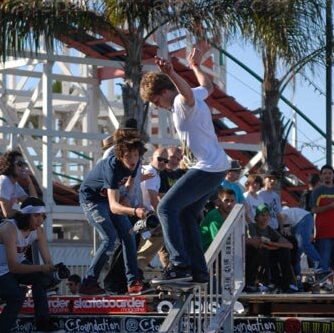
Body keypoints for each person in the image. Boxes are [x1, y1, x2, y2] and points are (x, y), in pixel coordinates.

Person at [140, 42, 230, 284]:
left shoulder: (180, 101)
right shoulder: (194, 98)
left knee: (166, 208)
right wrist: (195, 65)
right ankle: (199, 270)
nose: (158, 106)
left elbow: (187, 94)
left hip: (207, 168)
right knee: (187, 213)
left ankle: (179, 264)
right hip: (217, 168)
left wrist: (171, 73)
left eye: (156, 100)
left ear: (164, 91)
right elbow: (206, 86)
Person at [0, 197, 63, 333]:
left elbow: (47, 261)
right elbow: (14, 267)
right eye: (36, 216)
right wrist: (41, 268)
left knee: (40, 278)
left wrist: (51, 271)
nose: (40, 219)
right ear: (26, 216)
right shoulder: (10, 230)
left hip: (10, 265)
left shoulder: (38, 231)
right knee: (16, 297)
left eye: (43, 216)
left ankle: (43, 322)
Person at [79, 131, 148, 295]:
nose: (132, 160)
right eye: (128, 156)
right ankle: (88, 283)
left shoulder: (135, 162)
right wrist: (134, 211)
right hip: (92, 200)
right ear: (120, 156)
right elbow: (114, 207)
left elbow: (131, 179)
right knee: (110, 238)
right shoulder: (112, 166)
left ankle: (132, 282)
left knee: (130, 234)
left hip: (108, 199)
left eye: (136, 155)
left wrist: (126, 194)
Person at [310, 164, 334, 289]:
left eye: (329, 173)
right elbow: (314, 209)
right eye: (325, 173)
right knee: (323, 262)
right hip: (323, 233)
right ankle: (325, 286)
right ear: (321, 176)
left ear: (333, 175)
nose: (327, 175)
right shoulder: (317, 191)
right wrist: (330, 206)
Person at [245, 203, 298, 294]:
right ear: (256, 217)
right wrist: (273, 246)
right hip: (253, 256)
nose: (265, 218)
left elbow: (289, 245)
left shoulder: (270, 229)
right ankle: (260, 283)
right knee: (263, 250)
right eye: (262, 215)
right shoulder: (252, 226)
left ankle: (287, 284)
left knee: (285, 251)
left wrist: (272, 243)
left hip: (268, 254)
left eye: (267, 215)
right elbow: (257, 243)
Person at [136, 147, 168, 275]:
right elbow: (153, 197)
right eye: (160, 159)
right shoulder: (151, 172)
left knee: (145, 239)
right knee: (163, 233)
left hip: (141, 212)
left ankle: (141, 262)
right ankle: (140, 262)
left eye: (165, 161)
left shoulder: (151, 172)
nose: (162, 162)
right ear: (152, 158)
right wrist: (161, 216)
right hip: (145, 214)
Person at [279, 204, 328, 278]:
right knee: (296, 252)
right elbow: (288, 230)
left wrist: (281, 228)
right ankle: (297, 278)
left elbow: (282, 216)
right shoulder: (289, 216)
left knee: (304, 244)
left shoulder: (281, 213)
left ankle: (321, 268)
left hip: (303, 219)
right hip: (303, 219)